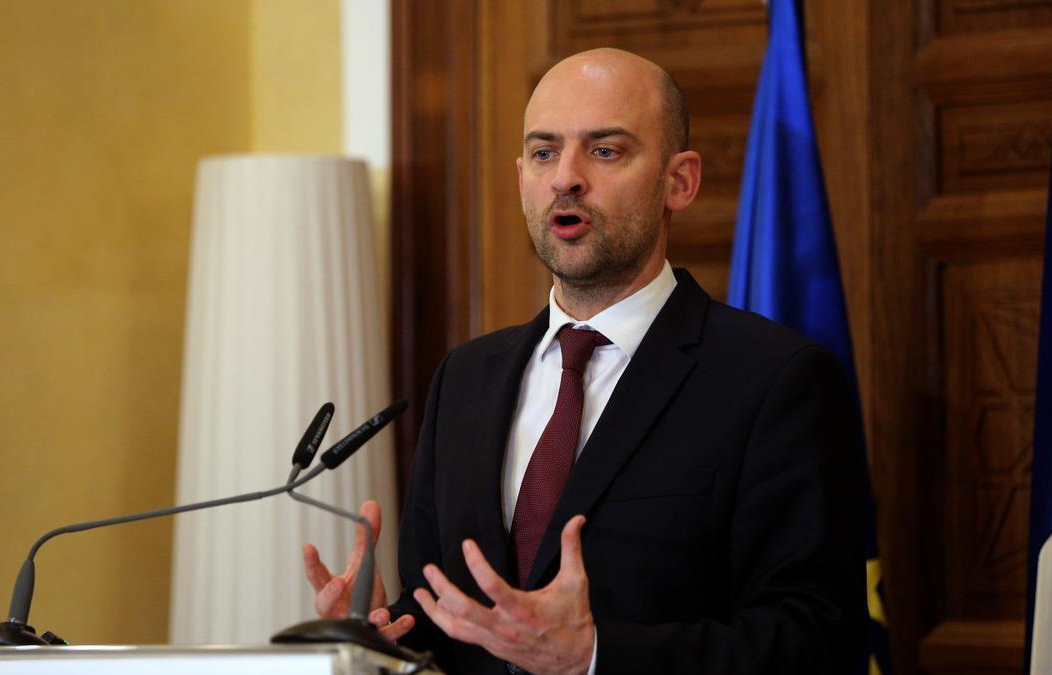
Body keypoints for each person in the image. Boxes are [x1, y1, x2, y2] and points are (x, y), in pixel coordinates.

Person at [302, 47, 867, 674]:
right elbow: (459, 622)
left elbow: (818, 642)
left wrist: (595, 656)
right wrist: (388, 633)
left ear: (679, 181)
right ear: (521, 176)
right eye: (544, 153)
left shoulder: (774, 379)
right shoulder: (465, 378)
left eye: (605, 151)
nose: (565, 177)